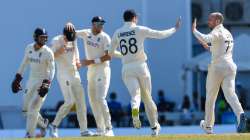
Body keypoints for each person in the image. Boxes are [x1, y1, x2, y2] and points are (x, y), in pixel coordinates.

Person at [109, 9, 181, 136]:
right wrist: (174, 29)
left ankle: (135, 109)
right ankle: (154, 127)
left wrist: (124, 56)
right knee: (147, 98)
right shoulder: (139, 29)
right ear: (134, 18)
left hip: (126, 67)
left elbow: (110, 53)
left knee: (135, 95)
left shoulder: (118, 32)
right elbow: (160, 34)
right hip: (140, 66)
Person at [192, 12, 247, 134]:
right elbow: (220, 48)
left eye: (210, 19)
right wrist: (209, 47)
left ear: (217, 21)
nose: (208, 21)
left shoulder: (217, 31)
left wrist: (194, 30)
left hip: (217, 67)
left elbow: (206, 37)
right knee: (230, 94)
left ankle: (208, 126)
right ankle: (241, 114)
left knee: (211, 97)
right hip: (230, 66)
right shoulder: (228, 33)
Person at [66, 16, 114, 136]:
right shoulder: (86, 33)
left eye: (103, 23)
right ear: (93, 24)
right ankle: (101, 129)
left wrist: (90, 61)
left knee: (100, 98)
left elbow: (108, 57)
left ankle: (109, 128)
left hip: (102, 69)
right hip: (91, 71)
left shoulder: (105, 37)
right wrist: (69, 24)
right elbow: (71, 34)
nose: (102, 26)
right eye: (99, 23)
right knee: (92, 101)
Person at [48, 24, 93, 137]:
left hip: (74, 73)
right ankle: (53, 125)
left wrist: (77, 61)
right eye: (68, 36)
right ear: (63, 34)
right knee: (70, 102)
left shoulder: (73, 38)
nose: (70, 38)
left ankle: (84, 130)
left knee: (81, 102)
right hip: (63, 74)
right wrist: (59, 51)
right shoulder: (56, 40)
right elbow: (50, 57)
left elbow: (76, 51)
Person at [11, 27, 55, 138]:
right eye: (42, 37)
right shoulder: (29, 48)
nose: (44, 40)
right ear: (35, 37)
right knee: (26, 110)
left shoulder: (48, 52)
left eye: (45, 38)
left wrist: (47, 84)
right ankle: (44, 124)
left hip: (42, 83)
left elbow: (53, 69)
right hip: (31, 82)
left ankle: (29, 135)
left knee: (33, 108)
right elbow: (24, 63)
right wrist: (17, 78)